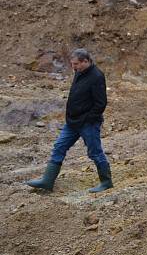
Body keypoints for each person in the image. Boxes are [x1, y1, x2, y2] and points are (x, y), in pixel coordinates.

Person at [26, 49, 113, 193]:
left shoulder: (97, 76)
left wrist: (87, 119)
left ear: (86, 61)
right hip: (72, 122)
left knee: (95, 152)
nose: (74, 67)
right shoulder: (79, 72)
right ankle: (47, 181)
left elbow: (100, 104)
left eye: (76, 64)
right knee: (59, 146)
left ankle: (106, 182)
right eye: (72, 64)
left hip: (88, 123)